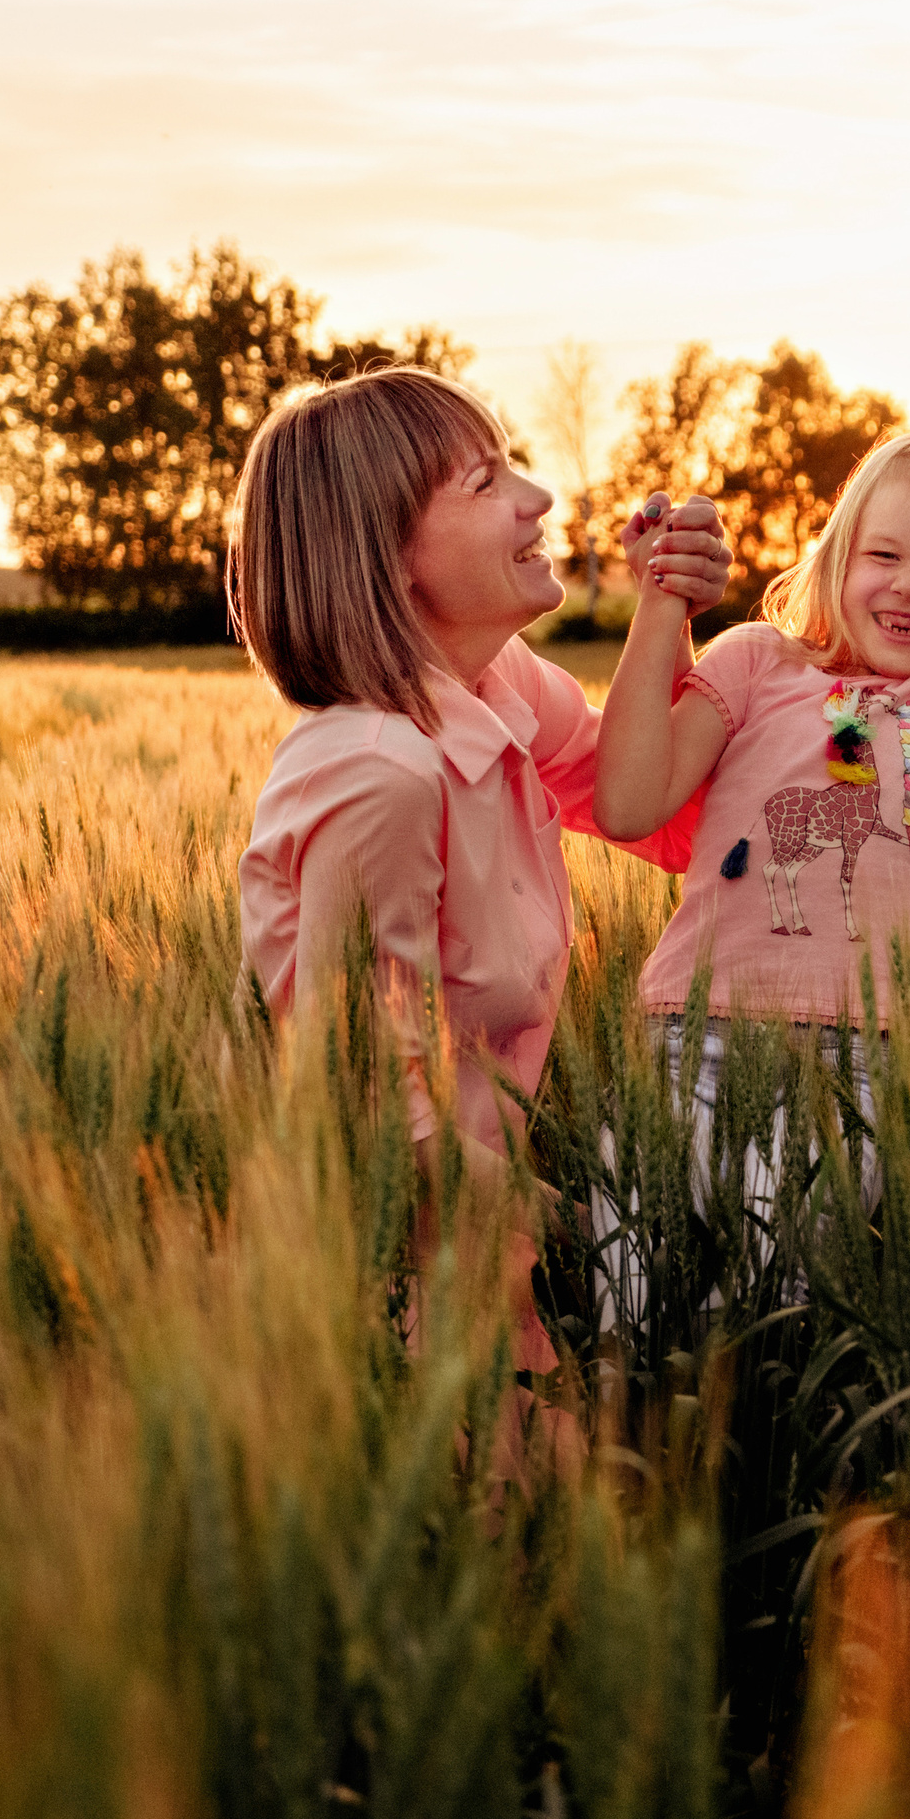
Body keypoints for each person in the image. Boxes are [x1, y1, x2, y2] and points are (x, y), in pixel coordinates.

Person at [592, 126, 910, 1294]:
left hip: (872, 1062)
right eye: (884, 553)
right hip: (689, 1039)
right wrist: (662, 607)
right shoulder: (754, 663)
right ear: (836, 554)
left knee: (779, 1315)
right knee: (636, 1312)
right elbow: (627, 800)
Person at [228, 364, 733, 1378]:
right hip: (384, 1310)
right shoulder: (380, 776)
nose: (538, 498)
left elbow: (670, 818)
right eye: (486, 481)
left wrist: (666, 613)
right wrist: (608, 1237)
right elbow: (375, 1114)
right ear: (388, 554)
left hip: (486, 1272)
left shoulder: (501, 688)